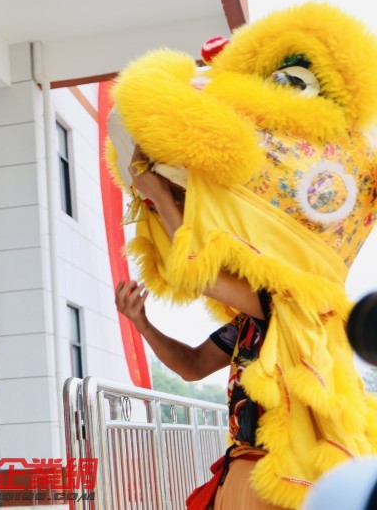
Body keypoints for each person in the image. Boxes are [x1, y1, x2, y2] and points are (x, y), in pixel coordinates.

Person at [114, 147, 283, 510]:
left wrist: (160, 193)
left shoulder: (284, 301)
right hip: (244, 469)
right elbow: (193, 366)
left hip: (285, 476)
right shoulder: (247, 321)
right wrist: (142, 323)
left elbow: (199, 273)